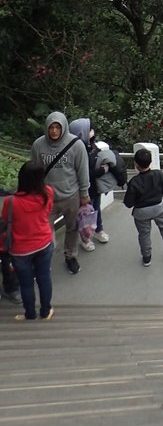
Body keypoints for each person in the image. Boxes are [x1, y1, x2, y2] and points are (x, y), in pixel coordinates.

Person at [30, 111, 90, 276]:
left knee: (73, 228)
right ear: (46, 128)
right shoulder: (38, 145)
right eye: (51, 127)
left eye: (57, 127)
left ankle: (71, 256)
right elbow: (34, 171)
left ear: (63, 127)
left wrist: (84, 194)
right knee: (45, 233)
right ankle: (44, 261)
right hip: (47, 198)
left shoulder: (76, 145)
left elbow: (82, 171)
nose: (54, 131)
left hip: (71, 196)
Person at [2, 162, 55, 321]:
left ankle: (30, 314)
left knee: (26, 284)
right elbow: (48, 211)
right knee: (44, 278)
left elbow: (5, 220)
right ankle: (45, 312)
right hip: (44, 242)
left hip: (20, 249)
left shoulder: (11, 202)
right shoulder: (48, 192)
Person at [123, 148, 163, 266]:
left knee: (144, 234)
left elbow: (128, 203)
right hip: (158, 206)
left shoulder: (134, 182)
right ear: (150, 161)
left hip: (141, 212)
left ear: (136, 165)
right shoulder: (158, 174)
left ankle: (147, 257)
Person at [69, 118, 111, 251]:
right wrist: (101, 171)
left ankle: (99, 230)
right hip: (83, 189)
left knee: (96, 210)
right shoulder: (75, 150)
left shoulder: (92, 146)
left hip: (95, 187)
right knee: (85, 214)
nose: (92, 132)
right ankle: (85, 238)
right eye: (89, 129)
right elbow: (82, 172)